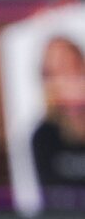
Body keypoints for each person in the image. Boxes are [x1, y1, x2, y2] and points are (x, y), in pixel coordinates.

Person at [31, 35, 85, 202]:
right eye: (55, 72)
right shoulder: (43, 136)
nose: (67, 78)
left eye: (71, 67)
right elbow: (51, 205)